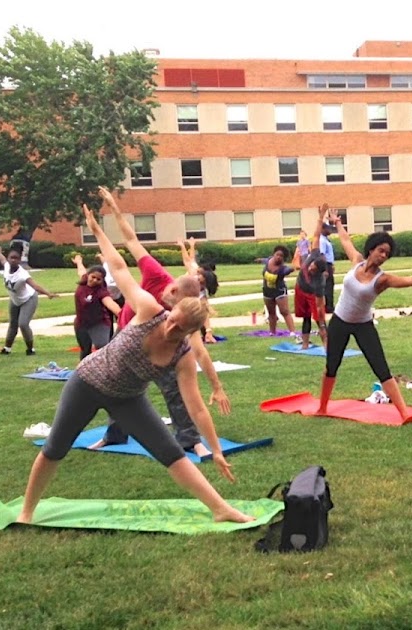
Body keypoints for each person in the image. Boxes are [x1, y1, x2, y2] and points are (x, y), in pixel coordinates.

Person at [16, 204, 250, 526]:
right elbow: (120, 268)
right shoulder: (149, 309)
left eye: (180, 328)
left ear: (191, 332)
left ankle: (221, 508)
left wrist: (217, 449)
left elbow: (196, 408)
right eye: (174, 320)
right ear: (174, 308)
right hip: (87, 383)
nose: (171, 328)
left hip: (126, 397)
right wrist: (97, 231)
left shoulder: (183, 356)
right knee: (55, 448)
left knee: (172, 454)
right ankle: (27, 511)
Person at [91, 186, 231, 458]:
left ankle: (189, 439)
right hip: (127, 336)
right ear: (174, 289)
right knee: (117, 385)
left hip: (160, 345)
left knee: (176, 389)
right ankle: (114, 434)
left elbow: (198, 351)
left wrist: (217, 387)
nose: (173, 306)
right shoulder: (157, 276)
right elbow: (131, 241)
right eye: (174, 300)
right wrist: (113, 207)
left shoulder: (182, 317)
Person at [315, 209, 412, 421]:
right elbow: (346, 241)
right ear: (371, 250)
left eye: (387, 253)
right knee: (332, 365)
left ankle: (404, 413)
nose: (383, 255)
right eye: (380, 250)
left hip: (363, 325)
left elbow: (410, 280)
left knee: (381, 368)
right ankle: (322, 407)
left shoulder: (382, 279)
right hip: (339, 321)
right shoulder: (357, 261)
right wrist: (338, 223)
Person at [0, 246, 57, 356]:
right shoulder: (7, 266)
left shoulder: (23, 274)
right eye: (11, 257)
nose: (13, 260)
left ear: (19, 260)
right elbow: (2, 259)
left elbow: (35, 286)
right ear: (8, 258)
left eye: (16, 258)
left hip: (28, 299)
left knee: (23, 323)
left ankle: (30, 349)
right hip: (15, 300)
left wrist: (48, 294)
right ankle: (7, 348)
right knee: (13, 323)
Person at [71, 255, 122, 359]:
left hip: (99, 323)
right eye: (93, 277)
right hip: (81, 323)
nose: (94, 280)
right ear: (88, 275)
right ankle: (83, 372)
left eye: (98, 279)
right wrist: (79, 262)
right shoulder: (84, 280)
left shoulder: (101, 292)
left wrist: (122, 314)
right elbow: (81, 270)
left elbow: (110, 303)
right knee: (85, 350)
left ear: (102, 280)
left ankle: (105, 370)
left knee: (102, 347)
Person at [296, 205, 331, 349]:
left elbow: (319, 305)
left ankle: (327, 346)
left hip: (311, 294)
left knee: (319, 320)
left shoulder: (319, 283)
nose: (310, 268)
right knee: (305, 317)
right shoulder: (315, 254)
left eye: (313, 269)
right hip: (300, 288)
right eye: (311, 266)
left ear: (318, 272)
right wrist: (321, 217)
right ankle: (304, 345)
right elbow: (316, 235)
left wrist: (322, 320)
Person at [261, 245, 297, 336]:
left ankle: (292, 332)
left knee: (284, 311)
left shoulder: (283, 268)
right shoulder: (268, 261)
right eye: (277, 254)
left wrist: (293, 268)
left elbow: (288, 269)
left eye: (281, 256)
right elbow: (265, 260)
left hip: (279, 291)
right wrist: (259, 260)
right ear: (274, 254)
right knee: (271, 312)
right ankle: (272, 332)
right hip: (267, 291)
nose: (278, 257)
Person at [318, 218, 337, 315]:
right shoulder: (322, 240)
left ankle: (329, 305)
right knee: (328, 286)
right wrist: (325, 269)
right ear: (323, 229)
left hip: (329, 264)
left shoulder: (326, 239)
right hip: (325, 265)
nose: (331, 230)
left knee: (330, 285)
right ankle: (328, 307)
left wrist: (332, 265)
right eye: (329, 228)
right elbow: (322, 255)